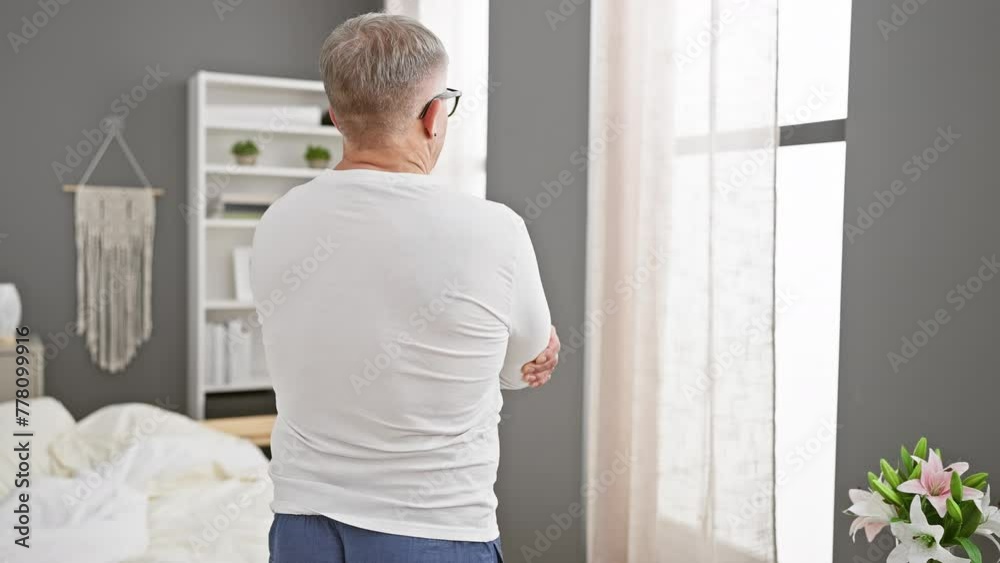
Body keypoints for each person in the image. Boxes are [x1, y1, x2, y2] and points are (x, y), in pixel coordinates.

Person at [250, 13, 560, 563]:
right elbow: (522, 368)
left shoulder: (278, 219)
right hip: (436, 530)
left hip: (302, 528)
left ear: (337, 115)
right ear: (434, 115)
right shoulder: (495, 231)